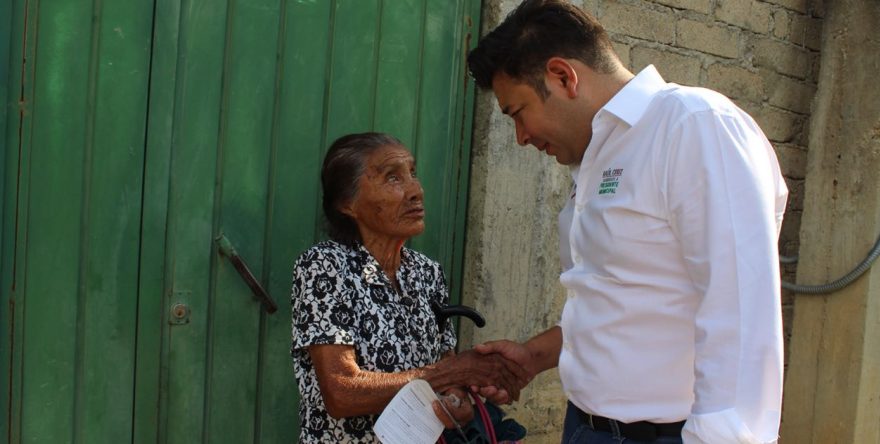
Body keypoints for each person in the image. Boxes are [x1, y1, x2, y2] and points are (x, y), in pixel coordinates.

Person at [466, 1, 788, 443]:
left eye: (517, 112)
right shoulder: (596, 157)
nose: (521, 138)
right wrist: (531, 356)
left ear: (563, 76)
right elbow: (622, 301)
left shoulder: (693, 126)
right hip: (587, 426)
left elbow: (739, 313)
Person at [290, 132, 528, 443]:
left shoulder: (426, 272)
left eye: (412, 174)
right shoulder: (325, 266)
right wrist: (455, 372)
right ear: (348, 204)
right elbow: (341, 392)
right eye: (393, 178)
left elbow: (447, 369)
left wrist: (457, 401)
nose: (416, 191)